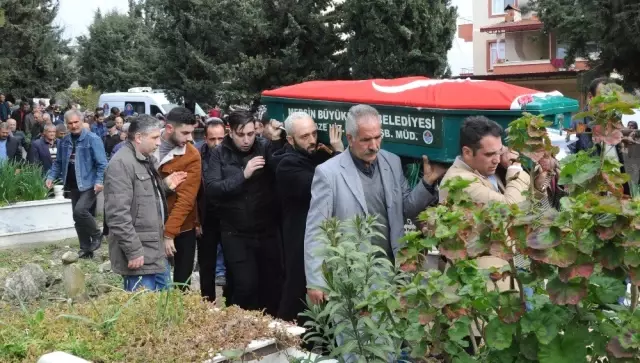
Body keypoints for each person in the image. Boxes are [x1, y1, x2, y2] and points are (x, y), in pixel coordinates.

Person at [304, 104, 445, 304]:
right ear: (350, 138)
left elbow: (405, 208)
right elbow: (316, 229)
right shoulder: (328, 173)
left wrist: (427, 182)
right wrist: (316, 280)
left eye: (378, 137)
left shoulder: (392, 162)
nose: (374, 145)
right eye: (366, 139)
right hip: (352, 274)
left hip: (392, 270)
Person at [204, 110, 285, 315]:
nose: (247, 140)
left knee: (271, 285)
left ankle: (269, 329)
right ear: (231, 132)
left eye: (251, 133)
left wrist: (275, 142)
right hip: (235, 231)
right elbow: (213, 189)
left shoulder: (263, 146)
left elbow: (280, 172)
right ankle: (240, 326)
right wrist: (243, 174)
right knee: (244, 285)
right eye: (241, 135)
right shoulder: (219, 153)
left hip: (266, 229)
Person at [274, 112, 344, 322]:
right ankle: (290, 342)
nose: (312, 140)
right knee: (298, 294)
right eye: (305, 136)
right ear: (290, 139)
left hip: (323, 235)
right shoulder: (286, 165)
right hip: (300, 238)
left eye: (314, 133)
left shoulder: (317, 156)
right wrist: (339, 153)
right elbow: (324, 186)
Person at [104, 114, 187, 292]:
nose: (159, 143)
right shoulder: (121, 164)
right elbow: (117, 215)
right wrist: (133, 251)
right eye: (155, 138)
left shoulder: (145, 159)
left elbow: (143, 199)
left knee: (164, 308)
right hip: (140, 254)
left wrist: (165, 187)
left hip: (154, 251)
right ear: (139, 138)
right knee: (142, 313)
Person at [46, 110, 108, 259]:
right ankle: (86, 249)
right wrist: (50, 177)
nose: (74, 126)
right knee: (77, 217)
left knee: (80, 211)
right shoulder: (64, 141)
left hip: (89, 183)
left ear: (81, 121)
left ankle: (97, 234)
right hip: (72, 183)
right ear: (66, 124)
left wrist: (99, 181)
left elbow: (102, 163)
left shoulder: (93, 139)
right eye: (70, 123)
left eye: (76, 122)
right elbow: (59, 163)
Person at [154, 107, 201, 291]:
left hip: (182, 226)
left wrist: (169, 233)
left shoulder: (191, 155)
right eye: (185, 133)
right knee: (155, 282)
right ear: (169, 128)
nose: (190, 138)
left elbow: (186, 200)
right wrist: (163, 186)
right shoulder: (149, 145)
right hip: (151, 222)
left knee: (181, 283)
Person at [196, 118, 226, 302]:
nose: (217, 143)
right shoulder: (197, 155)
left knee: (231, 261)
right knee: (206, 263)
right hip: (206, 216)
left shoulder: (231, 154)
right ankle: (208, 302)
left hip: (227, 217)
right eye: (212, 139)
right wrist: (196, 220)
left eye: (220, 138)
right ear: (205, 138)